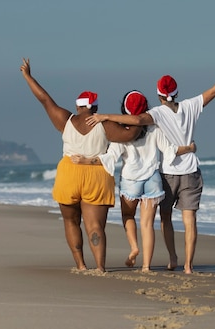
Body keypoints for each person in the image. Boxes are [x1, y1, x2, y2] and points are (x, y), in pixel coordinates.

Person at [86, 48, 215, 273]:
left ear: (159, 94)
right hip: (191, 172)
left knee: (165, 219)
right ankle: (188, 266)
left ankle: (171, 258)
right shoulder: (191, 106)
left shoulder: (157, 114)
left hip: (168, 174)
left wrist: (106, 116)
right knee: (190, 220)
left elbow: (135, 120)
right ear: (177, 92)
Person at [20, 58, 141, 272]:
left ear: (78, 105)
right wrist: (141, 118)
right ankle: (101, 267)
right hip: (97, 175)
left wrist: (28, 76)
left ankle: (81, 265)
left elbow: (44, 99)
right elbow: (132, 132)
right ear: (94, 106)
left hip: (69, 174)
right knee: (95, 226)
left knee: (71, 222)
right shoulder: (105, 124)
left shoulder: (64, 119)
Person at [71, 90, 197, 272]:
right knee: (147, 225)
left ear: (125, 108)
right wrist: (189, 148)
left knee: (128, 216)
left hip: (130, 181)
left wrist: (86, 160)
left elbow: (110, 157)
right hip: (152, 179)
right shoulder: (154, 128)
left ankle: (134, 247)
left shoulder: (121, 130)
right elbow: (169, 150)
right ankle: (146, 266)